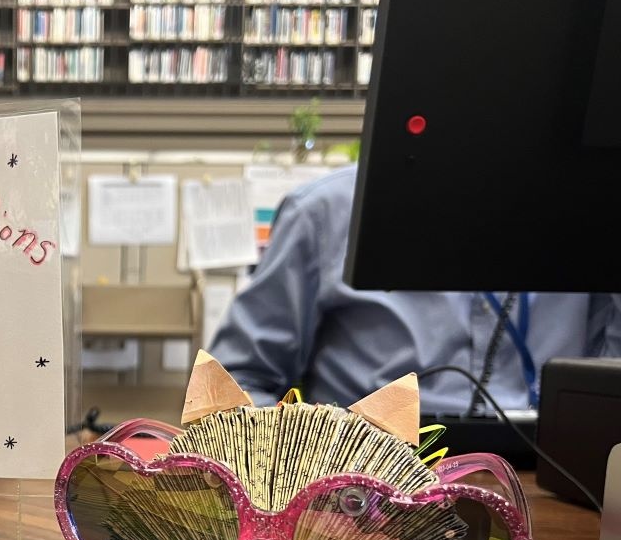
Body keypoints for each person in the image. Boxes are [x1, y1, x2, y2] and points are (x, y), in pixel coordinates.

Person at [210, 165, 621, 413]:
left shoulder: (593, 214)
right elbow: (235, 382)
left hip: (556, 486)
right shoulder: (327, 212)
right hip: (362, 496)